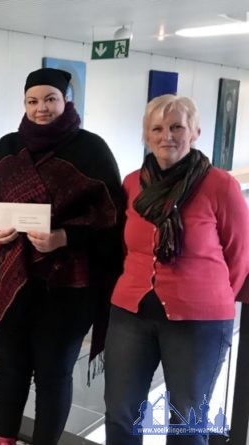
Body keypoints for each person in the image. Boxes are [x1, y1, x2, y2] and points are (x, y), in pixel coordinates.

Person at [0, 68, 124, 445]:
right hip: (11, 280)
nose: (41, 108)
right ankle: (5, 440)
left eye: (50, 100)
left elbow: (111, 216)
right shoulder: (7, 146)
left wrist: (64, 237)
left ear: (66, 101)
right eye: (33, 101)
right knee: (10, 368)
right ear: (24, 104)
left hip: (67, 286)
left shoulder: (91, 149)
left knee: (53, 372)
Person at [104, 94, 249, 445]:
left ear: (195, 131)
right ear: (146, 135)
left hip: (199, 321)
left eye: (176, 127)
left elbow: (240, 254)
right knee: (121, 412)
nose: (166, 135)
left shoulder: (220, 185)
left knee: (185, 420)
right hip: (131, 313)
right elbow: (126, 247)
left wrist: (207, 297)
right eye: (157, 128)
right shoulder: (133, 183)